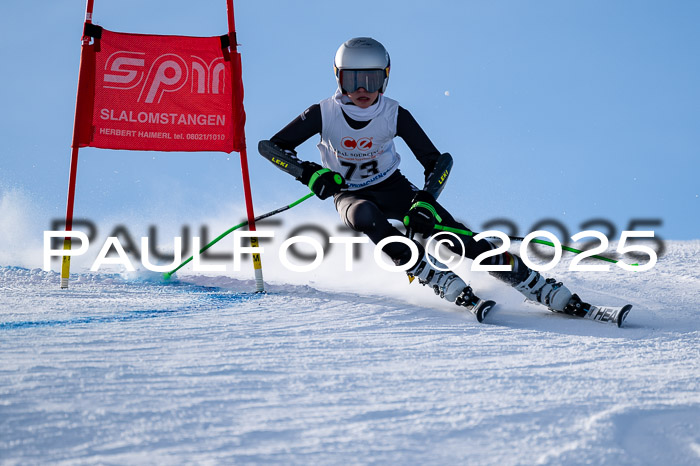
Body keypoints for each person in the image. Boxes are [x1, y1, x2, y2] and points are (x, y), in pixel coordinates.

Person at [258, 37, 613, 324]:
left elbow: (439, 161)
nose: (362, 90)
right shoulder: (324, 113)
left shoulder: (393, 113)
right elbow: (270, 147)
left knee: (460, 240)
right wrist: (310, 174)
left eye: (372, 80)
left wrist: (425, 199)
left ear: (386, 77)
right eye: (352, 80)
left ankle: (540, 288)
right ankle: (431, 274)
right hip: (349, 196)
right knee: (366, 217)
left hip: (395, 188)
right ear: (338, 78)